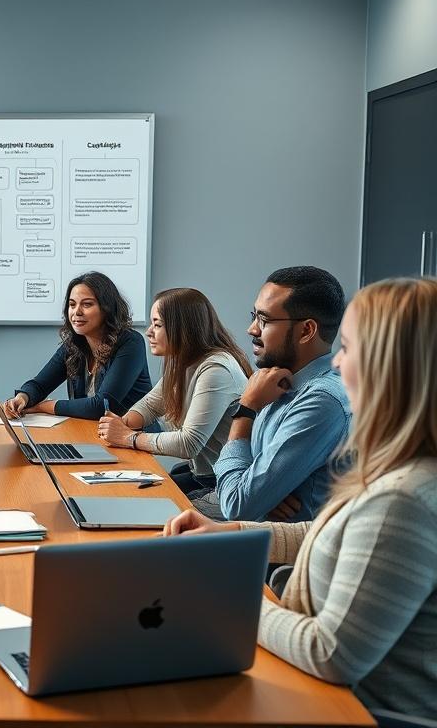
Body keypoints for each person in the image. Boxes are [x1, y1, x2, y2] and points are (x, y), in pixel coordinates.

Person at [164, 277, 437, 718]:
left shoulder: (403, 499)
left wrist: (220, 595)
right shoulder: (404, 468)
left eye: (347, 348)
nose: (337, 364)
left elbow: (329, 652)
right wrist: (228, 532)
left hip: (354, 713)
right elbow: (329, 532)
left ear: (390, 367)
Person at [198, 266, 351, 522]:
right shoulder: (276, 381)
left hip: (268, 551)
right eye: (254, 316)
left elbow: (238, 505)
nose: (252, 329)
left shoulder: (321, 401)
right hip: (246, 526)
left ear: (306, 331)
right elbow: (245, 494)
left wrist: (245, 410)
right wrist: (263, 494)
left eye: (264, 320)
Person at [98, 288, 252, 488]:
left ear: (184, 329)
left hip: (223, 484)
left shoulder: (216, 369)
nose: (149, 332)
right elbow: (151, 405)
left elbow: (189, 444)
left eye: (158, 324)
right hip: (201, 474)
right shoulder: (184, 362)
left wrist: (128, 437)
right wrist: (121, 424)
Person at [3, 272, 152, 420]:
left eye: (87, 304)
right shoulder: (74, 345)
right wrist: (23, 398)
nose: (77, 312)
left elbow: (102, 406)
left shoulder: (131, 343)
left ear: (106, 309)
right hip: (94, 434)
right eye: (72, 304)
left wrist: (43, 406)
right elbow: (40, 385)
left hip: (135, 437)